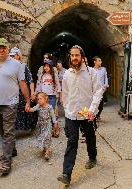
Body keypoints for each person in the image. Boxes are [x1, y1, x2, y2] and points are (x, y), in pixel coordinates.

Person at [0, 38, 30, 174]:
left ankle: (6, 162)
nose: (1, 50)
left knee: (8, 131)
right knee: (3, 130)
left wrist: (27, 100)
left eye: (4, 47)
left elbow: (22, 83)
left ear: (8, 49)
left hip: (11, 103)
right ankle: (12, 149)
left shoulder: (17, 65)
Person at [57, 45, 103, 186]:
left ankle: (92, 157)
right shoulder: (67, 74)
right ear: (69, 57)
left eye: (77, 55)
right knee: (72, 141)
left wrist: (92, 110)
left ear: (82, 57)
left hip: (87, 113)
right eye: (72, 55)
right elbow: (65, 93)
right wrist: (66, 107)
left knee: (90, 136)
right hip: (71, 114)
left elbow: (98, 91)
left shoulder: (91, 73)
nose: (74, 58)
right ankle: (66, 173)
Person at [9, 47, 37, 133]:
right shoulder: (9, 67)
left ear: (18, 56)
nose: (12, 58)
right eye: (11, 56)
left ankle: (29, 127)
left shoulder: (23, 66)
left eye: (14, 56)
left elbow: (30, 81)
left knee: (26, 110)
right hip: (13, 94)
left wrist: (32, 92)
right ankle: (14, 130)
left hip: (23, 93)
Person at [28, 92, 59, 160]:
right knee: (41, 137)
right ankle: (46, 149)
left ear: (45, 99)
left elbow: (53, 116)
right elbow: (32, 109)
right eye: (38, 99)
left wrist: (55, 123)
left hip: (47, 125)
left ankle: (47, 152)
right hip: (40, 125)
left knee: (47, 137)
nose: (39, 100)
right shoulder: (38, 106)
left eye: (41, 99)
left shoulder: (49, 107)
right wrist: (28, 108)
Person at [93, 56, 109, 122]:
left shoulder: (103, 69)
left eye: (101, 60)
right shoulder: (92, 70)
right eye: (99, 61)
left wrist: (105, 86)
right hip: (94, 90)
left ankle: (98, 115)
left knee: (101, 105)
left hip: (102, 89)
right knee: (94, 103)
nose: (101, 62)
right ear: (95, 62)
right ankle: (94, 116)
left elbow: (106, 78)